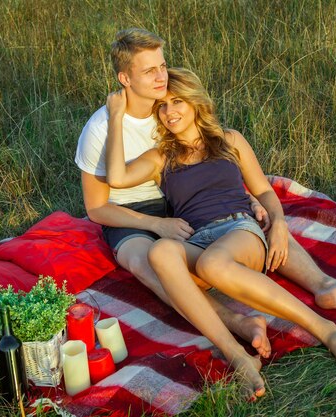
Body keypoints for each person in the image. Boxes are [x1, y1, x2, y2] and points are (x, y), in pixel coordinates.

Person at [104, 67, 336, 399]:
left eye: (178, 101)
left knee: (214, 264)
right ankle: (237, 355)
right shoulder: (161, 157)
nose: (170, 113)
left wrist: (279, 224)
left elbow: (264, 191)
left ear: (196, 101)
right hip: (198, 240)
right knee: (160, 252)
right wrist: (115, 115)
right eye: (163, 106)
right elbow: (116, 177)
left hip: (239, 229)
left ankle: (328, 331)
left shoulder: (230, 140)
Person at [75, 28, 272, 357]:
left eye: (162, 66)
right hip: (127, 214)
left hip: (179, 201)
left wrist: (247, 195)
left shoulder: (166, 110)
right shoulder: (100, 129)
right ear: (125, 78)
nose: (161, 77)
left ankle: (323, 287)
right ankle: (236, 323)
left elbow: (207, 159)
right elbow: (96, 208)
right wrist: (154, 225)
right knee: (144, 261)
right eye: (149, 71)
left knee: (258, 219)